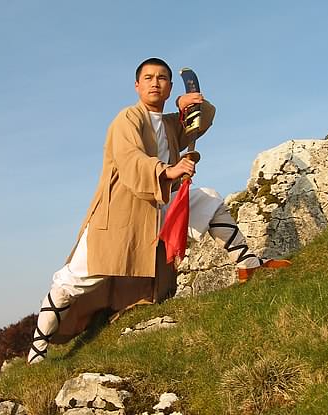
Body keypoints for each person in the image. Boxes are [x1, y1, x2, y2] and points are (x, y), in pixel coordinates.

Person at [27, 58, 290, 364]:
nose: (155, 82)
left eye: (162, 78)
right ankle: (36, 353)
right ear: (137, 85)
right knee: (70, 282)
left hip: (158, 206)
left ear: (169, 87)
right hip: (119, 215)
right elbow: (130, 159)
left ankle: (248, 264)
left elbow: (200, 120)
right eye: (149, 78)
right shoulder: (127, 119)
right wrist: (169, 169)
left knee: (208, 200)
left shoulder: (167, 124)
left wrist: (187, 103)